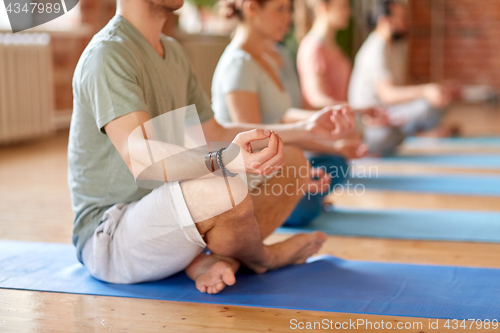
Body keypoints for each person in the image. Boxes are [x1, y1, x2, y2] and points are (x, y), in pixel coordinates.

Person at [68, 0, 356, 294]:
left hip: (171, 217)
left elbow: (214, 131)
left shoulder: (174, 52)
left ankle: (208, 260)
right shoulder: (108, 53)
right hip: (112, 236)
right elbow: (140, 156)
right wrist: (225, 160)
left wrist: (304, 129)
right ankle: (264, 258)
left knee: (291, 160)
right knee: (220, 186)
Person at [212, 0, 365, 227]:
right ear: (252, 9)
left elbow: (283, 117)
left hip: (281, 160)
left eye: (289, 9)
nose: (288, 17)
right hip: (249, 178)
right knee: (307, 206)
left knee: (336, 164)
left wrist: (333, 146)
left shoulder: (271, 57)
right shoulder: (238, 65)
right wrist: (297, 176)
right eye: (280, 9)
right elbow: (255, 148)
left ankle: (298, 197)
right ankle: (288, 202)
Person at [295, 0, 404, 156]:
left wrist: (363, 117)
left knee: (394, 132)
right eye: (343, 6)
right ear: (324, 7)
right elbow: (316, 100)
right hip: (325, 128)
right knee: (387, 135)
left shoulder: (333, 46)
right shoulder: (313, 47)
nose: (348, 12)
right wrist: (360, 110)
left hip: (343, 122)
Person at [348, 0, 456, 151]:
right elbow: (388, 95)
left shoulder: (395, 47)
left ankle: (420, 133)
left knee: (439, 99)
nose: (406, 23)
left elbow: (404, 85)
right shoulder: (375, 51)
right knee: (424, 107)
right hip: (372, 121)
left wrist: (436, 88)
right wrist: (425, 91)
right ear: (384, 21)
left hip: (391, 111)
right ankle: (421, 134)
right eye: (401, 18)